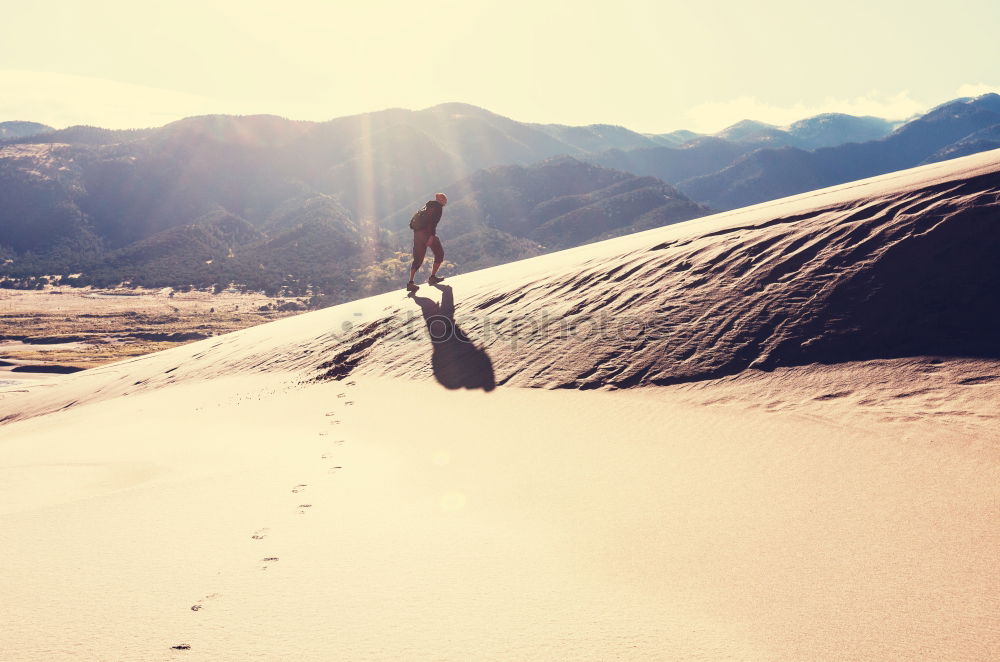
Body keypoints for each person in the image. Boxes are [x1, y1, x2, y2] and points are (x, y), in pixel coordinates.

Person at [406, 192, 448, 292]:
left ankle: (410, 283)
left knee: (417, 259)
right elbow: (432, 223)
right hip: (427, 234)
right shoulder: (438, 207)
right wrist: (431, 237)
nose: (446, 201)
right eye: (444, 199)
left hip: (417, 234)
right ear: (440, 199)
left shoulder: (426, 206)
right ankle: (432, 277)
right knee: (439, 253)